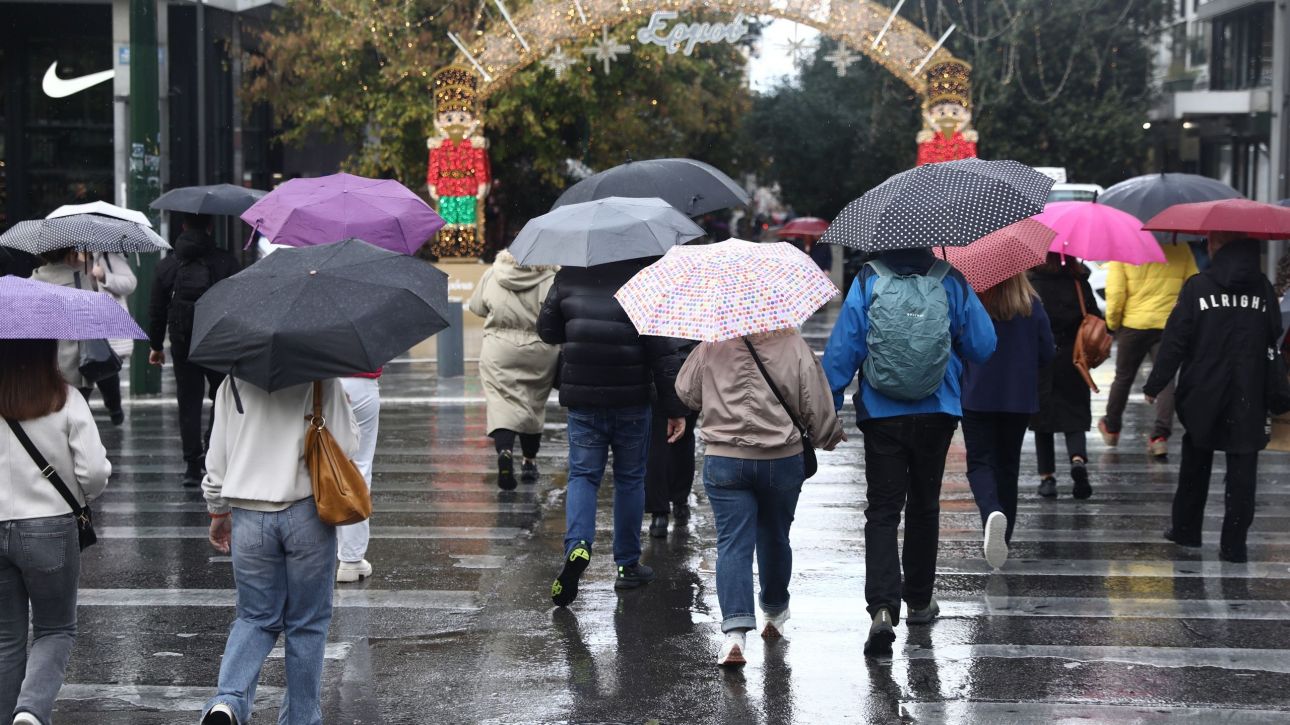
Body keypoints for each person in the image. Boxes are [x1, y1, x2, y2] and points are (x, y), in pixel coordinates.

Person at [822, 247, 995, 657]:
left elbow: (844, 350)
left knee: (882, 510)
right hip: (938, 410)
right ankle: (918, 599)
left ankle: (882, 607)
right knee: (924, 506)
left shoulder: (868, 278)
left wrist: (829, 407)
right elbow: (984, 345)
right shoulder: (950, 279)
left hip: (882, 414)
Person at [677, 329, 844, 666]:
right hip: (781, 459)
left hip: (725, 458)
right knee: (775, 535)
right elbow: (813, 400)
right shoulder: (793, 344)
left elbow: (686, 392)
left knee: (732, 542)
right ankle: (774, 611)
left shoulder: (713, 343)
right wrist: (827, 435)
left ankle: (735, 633)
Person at [200, 376, 357, 725]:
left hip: (248, 513)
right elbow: (347, 446)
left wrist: (218, 511)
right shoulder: (322, 378)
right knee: (307, 622)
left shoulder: (233, 380)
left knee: (255, 617)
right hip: (307, 512)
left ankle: (226, 703)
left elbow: (217, 455)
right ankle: (301, 719)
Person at [538, 258, 690, 607]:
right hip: (631, 399)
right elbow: (663, 353)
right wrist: (675, 409)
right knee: (630, 479)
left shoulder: (567, 277)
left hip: (584, 397)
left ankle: (578, 544)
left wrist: (577, 326)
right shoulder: (644, 281)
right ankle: (627, 565)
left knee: (583, 475)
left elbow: (547, 331)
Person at [1144, 234, 1282, 564]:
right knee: (1243, 467)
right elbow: (1275, 329)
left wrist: (1155, 383)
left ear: (1213, 247)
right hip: (1250, 389)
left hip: (1203, 389)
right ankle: (1234, 545)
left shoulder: (1198, 287)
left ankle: (1187, 529)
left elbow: (1175, 340)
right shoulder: (1262, 288)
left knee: (1196, 459)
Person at [0, 339, 111, 725]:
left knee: (5, 638)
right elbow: (93, 472)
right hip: (50, 524)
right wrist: (82, 496)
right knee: (56, 629)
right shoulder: (65, 398)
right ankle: (31, 711)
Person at [961, 273, 1055, 569]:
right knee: (1007, 467)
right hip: (1018, 398)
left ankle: (991, 511)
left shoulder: (973, 302)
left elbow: (957, 344)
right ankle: (1004, 539)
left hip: (977, 394)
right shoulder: (1031, 304)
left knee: (980, 462)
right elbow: (1047, 352)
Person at [148, 213, 240, 487]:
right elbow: (237, 304)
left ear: (184, 226)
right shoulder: (225, 261)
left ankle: (191, 464)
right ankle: (211, 451)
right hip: (216, 340)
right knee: (220, 397)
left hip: (182, 341)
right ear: (210, 227)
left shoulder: (168, 265)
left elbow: (156, 310)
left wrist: (156, 346)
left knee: (188, 400)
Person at [467, 248, 559, 490]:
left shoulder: (494, 273)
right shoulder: (551, 278)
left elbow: (477, 306)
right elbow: (558, 315)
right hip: (539, 349)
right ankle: (529, 462)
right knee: (533, 405)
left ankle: (505, 451)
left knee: (501, 404)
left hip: (499, 349)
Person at [1101, 242, 1198, 459]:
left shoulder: (1123, 246)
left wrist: (1113, 324)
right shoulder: (1181, 248)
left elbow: (1116, 293)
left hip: (1133, 325)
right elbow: (1193, 284)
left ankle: (1112, 427)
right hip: (1168, 325)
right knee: (1166, 380)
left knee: (1123, 377)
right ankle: (1159, 437)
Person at [1029, 254, 1103, 499]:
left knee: (1043, 420)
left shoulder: (1032, 283)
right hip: (1074, 358)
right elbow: (1095, 316)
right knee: (1075, 413)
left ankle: (1047, 478)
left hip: (1041, 358)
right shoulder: (1078, 282)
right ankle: (1077, 459)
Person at [30, 248, 127, 423]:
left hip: (42, 368)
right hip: (74, 369)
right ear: (69, 253)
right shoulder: (79, 280)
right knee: (76, 420)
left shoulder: (30, 282)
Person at [646, 342, 699, 538]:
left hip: (657, 369)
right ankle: (680, 502)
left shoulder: (654, 321)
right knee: (684, 438)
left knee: (656, 443)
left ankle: (659, 515)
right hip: (689, 367)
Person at [336, 371, 381, 583]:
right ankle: (351, 560)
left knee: (315, 463)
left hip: (315, 379)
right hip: (360, 380)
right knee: (358, 468)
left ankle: (311, 551)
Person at [90, 252, 137, 426]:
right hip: (81, 320)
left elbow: (130, 283)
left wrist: (104, 277)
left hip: (105, 321)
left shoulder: (106, 257)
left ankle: (113, 405)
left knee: (105, 366)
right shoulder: (67, 260)